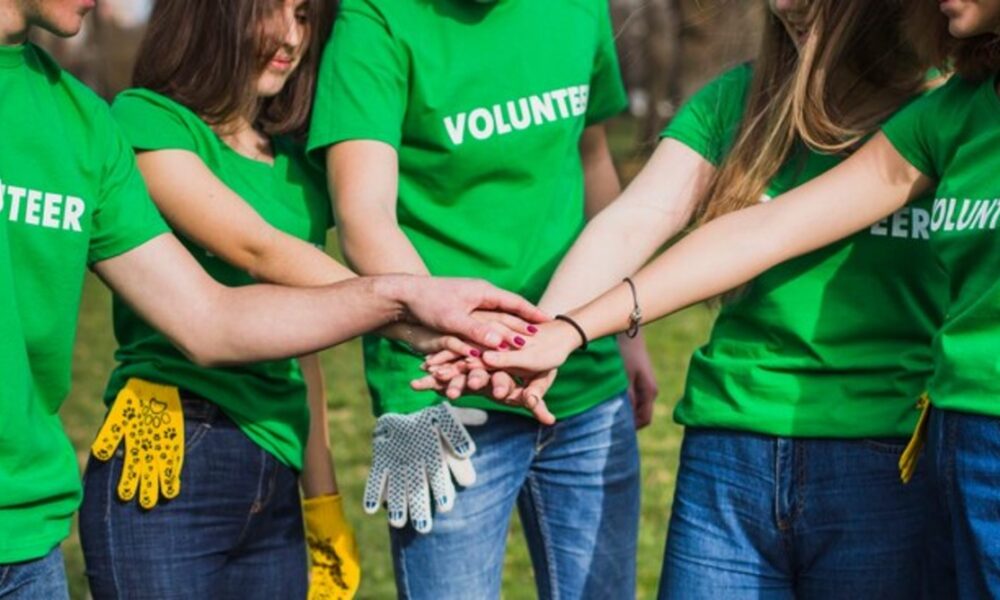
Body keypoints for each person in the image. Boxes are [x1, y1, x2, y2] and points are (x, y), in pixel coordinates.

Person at [0, 1, 546, 597]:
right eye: (273, 11)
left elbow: (270, 331)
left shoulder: (88, 122)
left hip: (265, 456)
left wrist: (323, 499)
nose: (291, 36)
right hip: (177, 443)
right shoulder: (145, 119)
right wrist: (414, 308)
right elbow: (256, 251)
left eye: (306, 16)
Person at [469, 0, 1000, 597]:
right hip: (731, 450)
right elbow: (663, 222)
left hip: (885, 454)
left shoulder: (940, 105)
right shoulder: (751, 102)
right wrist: (550, 332)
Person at [307, 0, 658, 597]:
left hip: (582, 380)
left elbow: (592, 158)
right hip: (444, 388)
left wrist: (628, 334)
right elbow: (364, 219)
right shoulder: (376, 20)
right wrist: (479, 348)